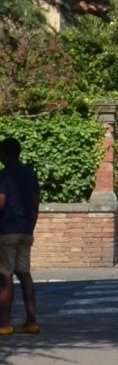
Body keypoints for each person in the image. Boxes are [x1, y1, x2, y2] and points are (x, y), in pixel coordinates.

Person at [0, 136, 39, 336]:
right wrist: (30, 227)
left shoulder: (4, 176)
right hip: (25, 230)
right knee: (24, 274)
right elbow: (35, 202)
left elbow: (1, 202)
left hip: (6, 231)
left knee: (5, 276)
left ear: (5, 154)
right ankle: (31, 321)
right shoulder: (30, 174)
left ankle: (4, 323)